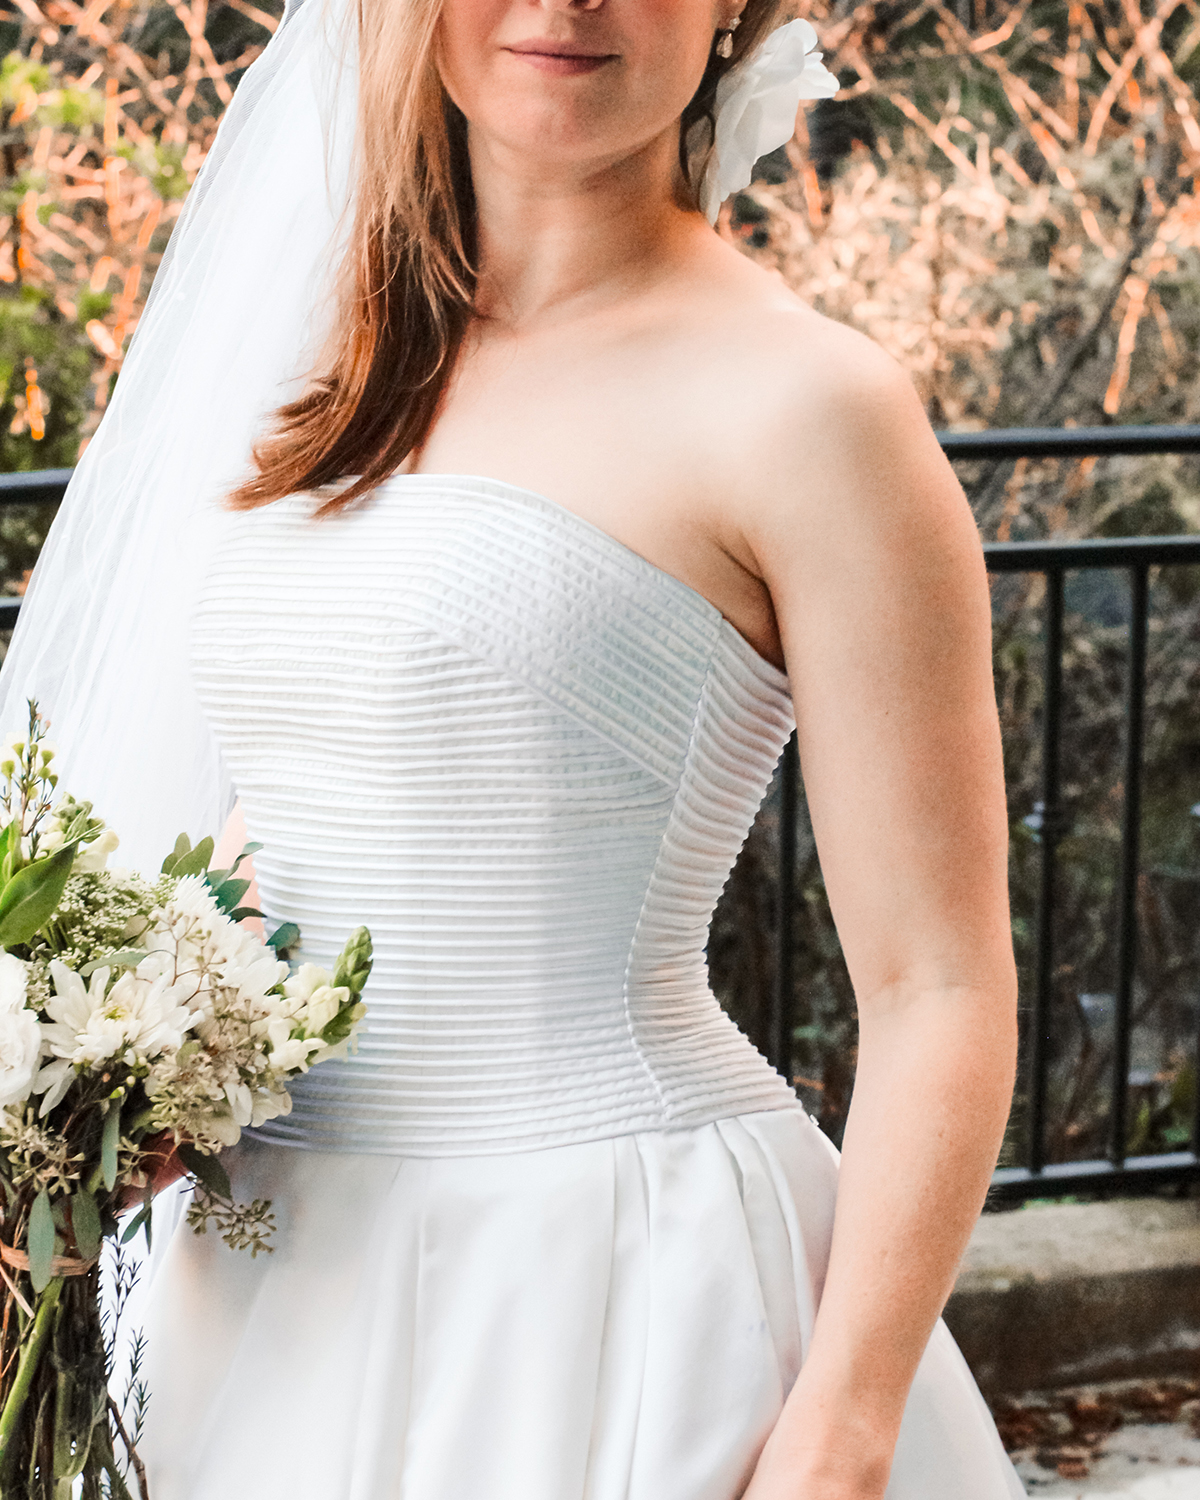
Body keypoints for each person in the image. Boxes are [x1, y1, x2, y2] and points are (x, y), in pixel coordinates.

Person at [3, 0, 1026, 1496]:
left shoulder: (816, 409)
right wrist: (116, 1090)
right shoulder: (324, 368)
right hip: (271, 1282)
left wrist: (845, 1425)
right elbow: (294, 810)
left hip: (616, 1285)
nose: (564, 5)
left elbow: (940, 982)